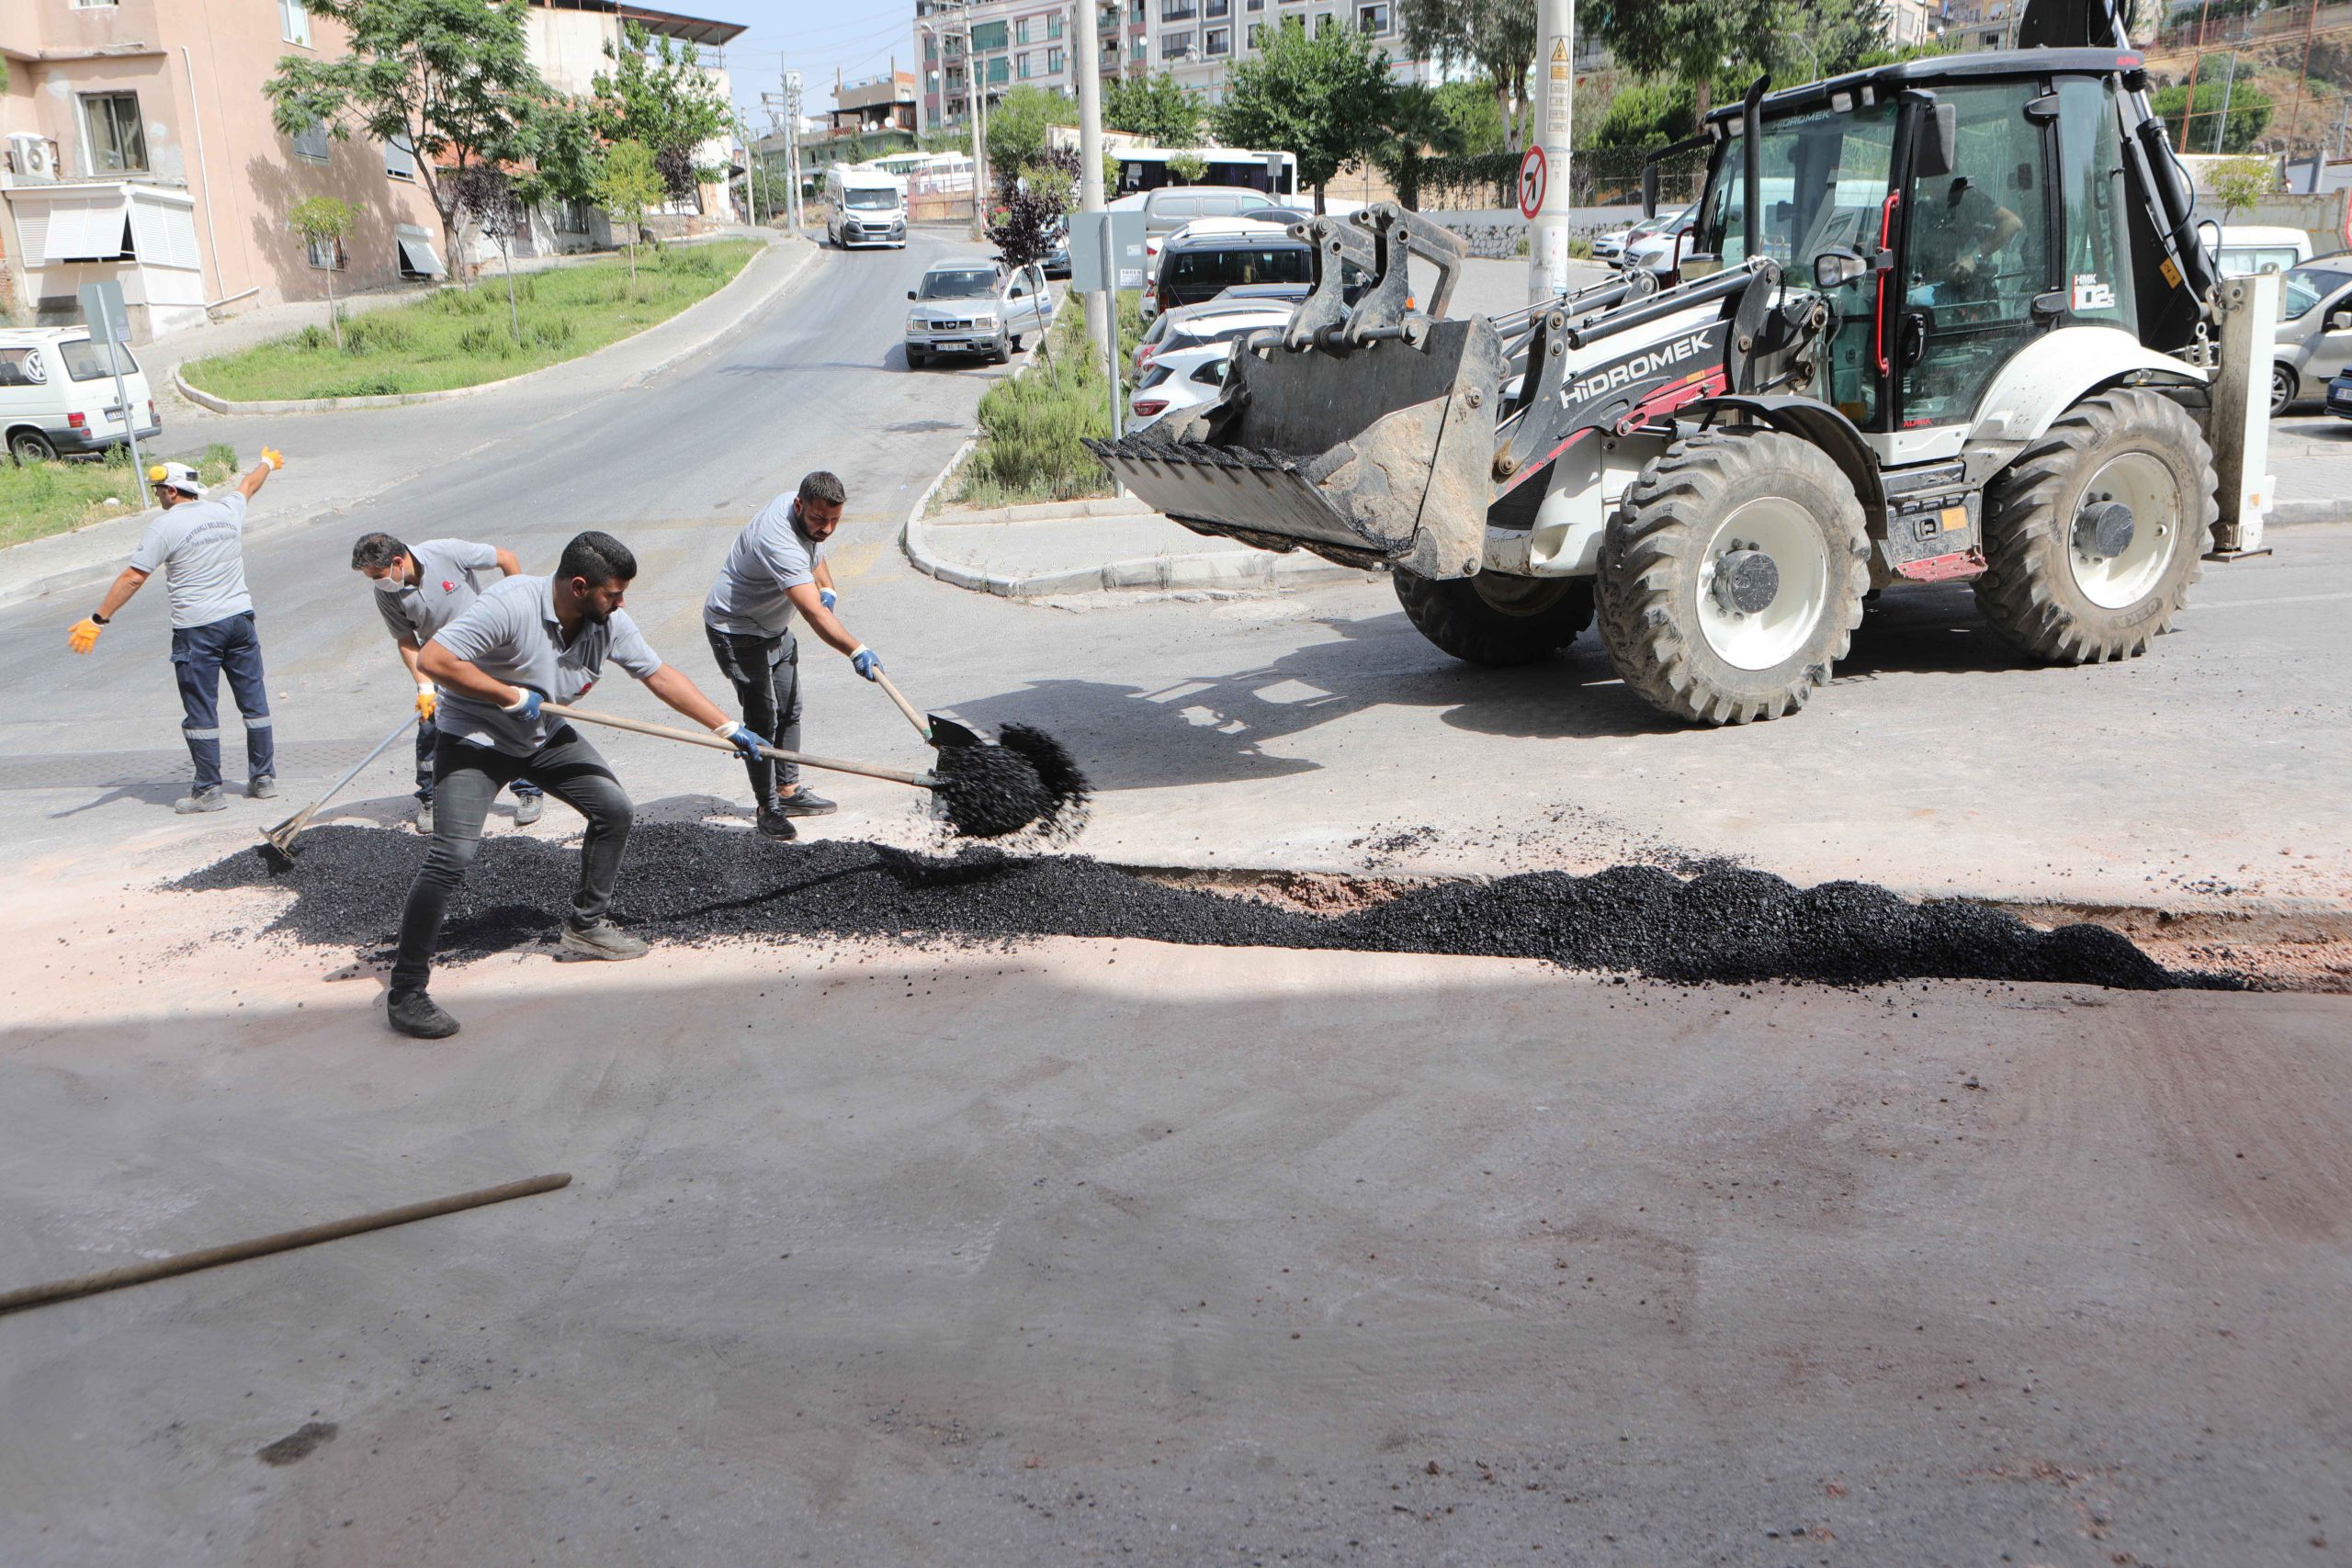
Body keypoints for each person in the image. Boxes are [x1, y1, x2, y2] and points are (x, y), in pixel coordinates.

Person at [388, 530, 767, 1040]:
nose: (620, 603)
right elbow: (434, 661)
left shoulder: (606, 621)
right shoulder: (511, 603)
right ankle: (406, 992)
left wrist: (726, 727)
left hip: (542, 736)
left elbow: (658, 675)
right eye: (613, 593)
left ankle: (586, 926)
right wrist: (504, 694)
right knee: (451, 855)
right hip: (475, 738)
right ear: (580, 586)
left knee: (614, 809)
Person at [67, 450, 285, 813]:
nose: (157, 496)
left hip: (198, 630)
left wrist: (97, 619)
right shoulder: (225, 511)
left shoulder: (164, 527)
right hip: (240, 622)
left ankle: (209, 791)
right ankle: (263, 779)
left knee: (201, 710)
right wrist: (267, 463)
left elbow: (134, 576)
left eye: (158, 490)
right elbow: (248, 485)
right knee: (254, 704)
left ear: (171, 491)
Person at [702, 470, 885, 840]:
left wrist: (827, 585)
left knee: (789, 709)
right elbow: (813, 614)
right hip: (736, 631)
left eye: (835, 519)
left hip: (773, 628)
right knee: (761, 720)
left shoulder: (804, 509)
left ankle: (788, 792)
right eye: (820, 518)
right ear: (800, 506)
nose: (828, 528)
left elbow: (815, 549)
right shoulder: (778, 538)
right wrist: (856, 650)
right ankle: (767, 806)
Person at [350, 531, 545, 835]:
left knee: (514, 716)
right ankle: (431, 799)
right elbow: (405, 640)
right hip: (439, 662)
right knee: (431, 728)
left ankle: (529, 788)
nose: (376, 582)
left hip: (487, 651)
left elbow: (507, 559)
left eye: (377, 575)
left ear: (397, 562)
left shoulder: (447, 553)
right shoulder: (386, 593)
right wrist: (424, 687)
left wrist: (520, 611)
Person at [1913, 174, 2023, 290]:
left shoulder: (1966, 197)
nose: (1929, 183)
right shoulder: (1920, 208)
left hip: (1967, 293)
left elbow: (2012, 222)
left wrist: (1974, 258)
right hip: (1926, 289)